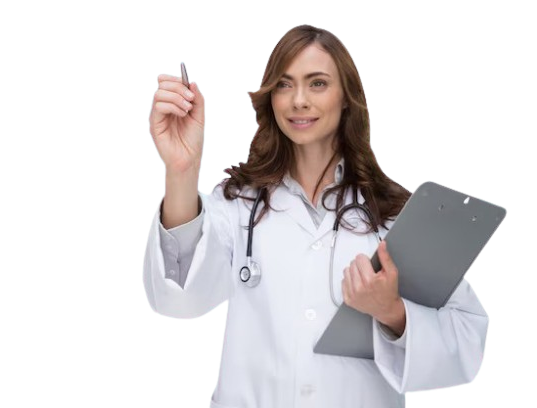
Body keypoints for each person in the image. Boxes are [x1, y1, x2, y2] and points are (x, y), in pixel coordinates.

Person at [143, 24, 489, 408]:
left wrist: (392, 312)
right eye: (284, 84)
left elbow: (466, 339)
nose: (299, 100)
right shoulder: (237, 203)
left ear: (347, 98)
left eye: (318, 83)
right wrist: (181, 171)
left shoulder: (393, 214)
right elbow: (178, 301)